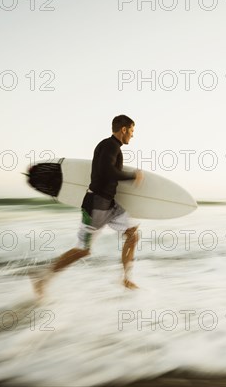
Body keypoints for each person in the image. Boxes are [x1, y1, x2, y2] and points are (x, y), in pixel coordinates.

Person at [34, 115, 144, 297]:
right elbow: (106, 171)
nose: (132, 136)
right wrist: (133, 177)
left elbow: (108, 172)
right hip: (94, 207)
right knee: (82, 250)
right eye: (132, 131)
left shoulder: (113, 147)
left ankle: (126, 278)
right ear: (123, 129)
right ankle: (43, 276)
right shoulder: (109, 146)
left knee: (132, 234)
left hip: (110, 206)